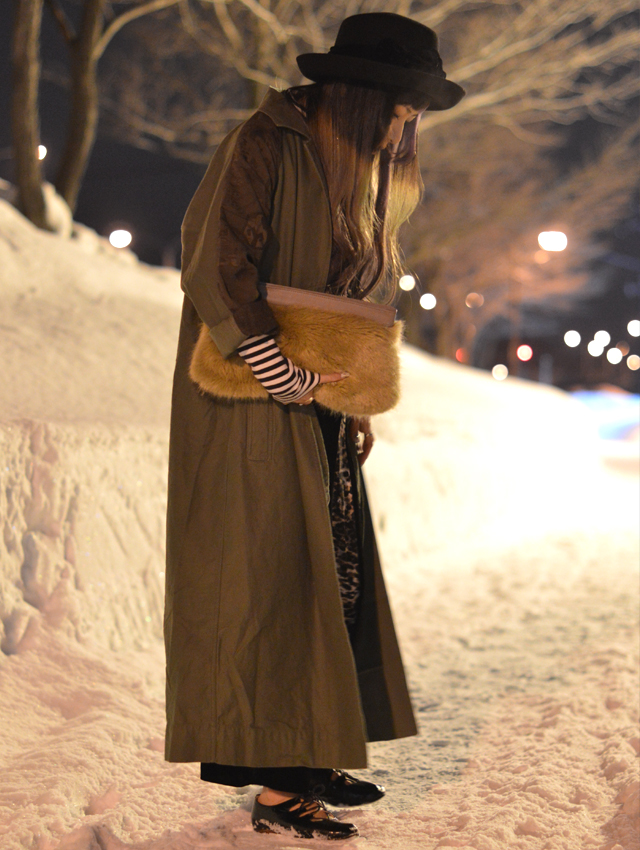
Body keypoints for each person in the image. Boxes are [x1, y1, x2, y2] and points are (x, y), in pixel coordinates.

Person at [164, 12, 464, 841]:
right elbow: (214, 264)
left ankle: (306, 758)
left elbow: (342, 294)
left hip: (314, 400)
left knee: (327, 579)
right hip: (250, 400)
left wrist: (347, 398)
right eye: (403, 107)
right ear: (364, 94)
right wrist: (279, 372)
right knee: (268, 583)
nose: (407, 125)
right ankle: (277, 788)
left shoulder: (348, 164)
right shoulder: (267, 142)